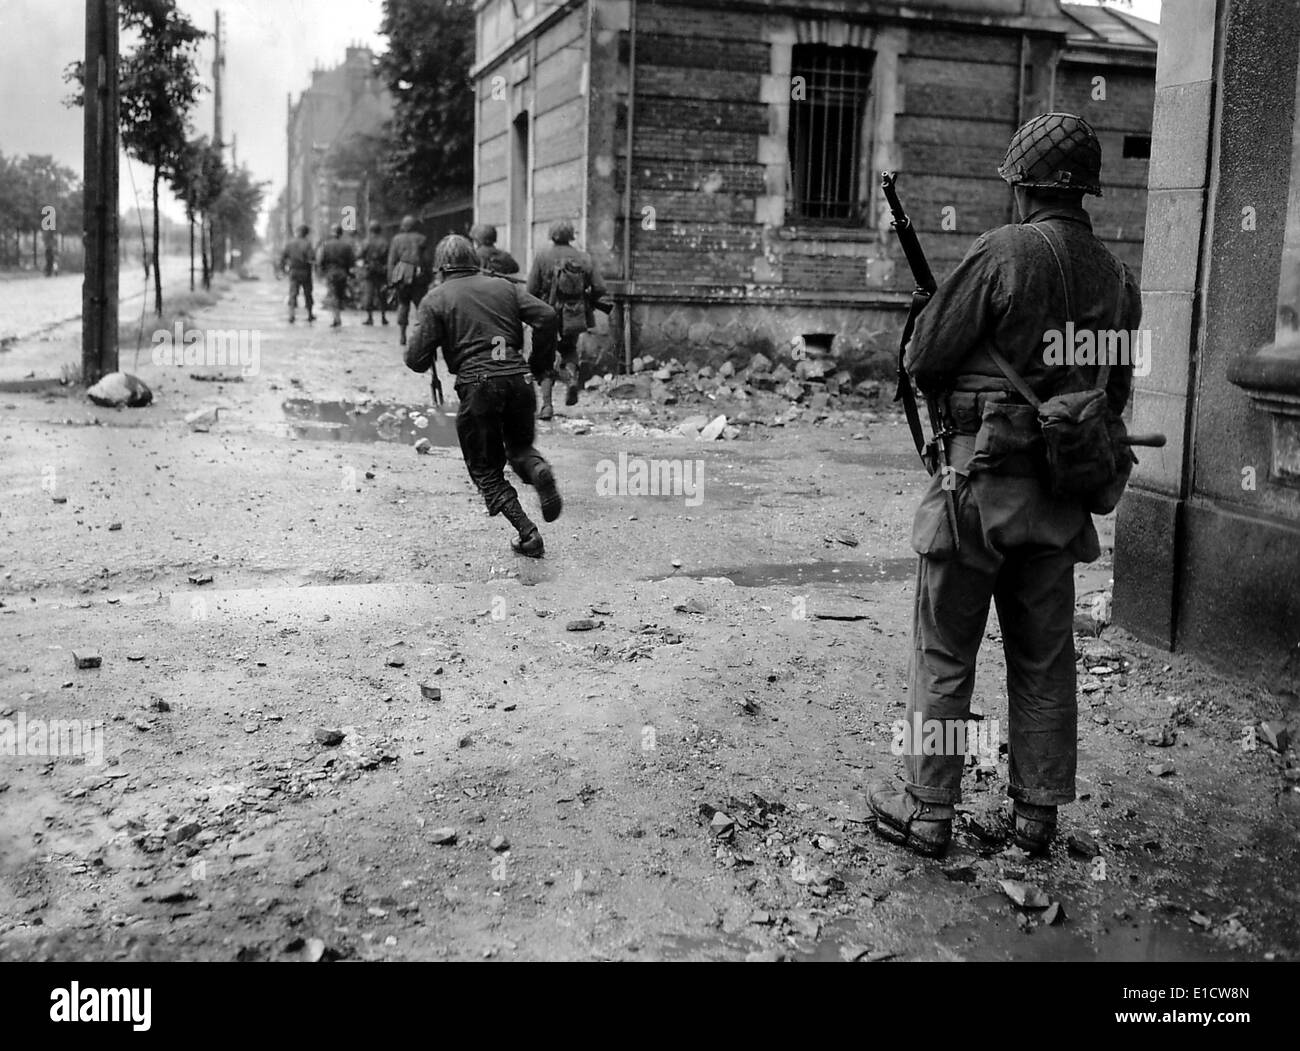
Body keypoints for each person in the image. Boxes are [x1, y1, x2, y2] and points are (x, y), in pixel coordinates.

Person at [868, 113, 1141, 858]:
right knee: (1045, 657)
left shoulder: (1002, 252)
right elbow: (1112, 398)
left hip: (976, 496)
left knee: (947, 651)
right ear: (1085, 191)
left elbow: (924, 358)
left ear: (1020, 187)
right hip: (1058, 502)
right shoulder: (1120, 280)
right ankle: (1035, 818)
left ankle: (930, 812)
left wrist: (931, 316)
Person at [404, 235, 564, 558]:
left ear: (441, 268)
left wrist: (434, 334)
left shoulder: (436, 299)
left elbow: (414, 359)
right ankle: (540, 472)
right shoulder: (503, 287)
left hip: (479, 388)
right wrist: (538, 363)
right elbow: (547, 315)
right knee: (520, 449)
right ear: (473, 260)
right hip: (518, 380)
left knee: (486, 471)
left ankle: (528, 534)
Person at [526, 219, 611, 420]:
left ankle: (547, 406)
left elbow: (530, 290)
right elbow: (600, 288)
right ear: (571, 235)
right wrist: (586, 298)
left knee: (544, 359)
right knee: (569, 350)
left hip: (546, 314)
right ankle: (572, 379)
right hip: (574, 314)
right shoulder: (583, 257)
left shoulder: (542, 256)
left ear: (552, 235)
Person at [387, 214, 430, 346]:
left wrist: (391, 280)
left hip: (402, 277)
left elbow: (392, 260)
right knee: (421, 306)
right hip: (419, 277)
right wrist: (429, 277)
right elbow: (427, 260)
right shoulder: (422, 239)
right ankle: (421, 334)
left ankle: (402, 335)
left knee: (403, 304)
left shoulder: (397, 239)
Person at [316, 224, 356, 328]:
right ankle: (337, 315)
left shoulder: (325, 245)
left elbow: (321, 260)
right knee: (339, 295)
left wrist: (322, 272)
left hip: (331, 273)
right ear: (341, 233)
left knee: (334, 296)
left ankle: (336, 318)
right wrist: (349, 272)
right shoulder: (346, 246)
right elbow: (352, 261)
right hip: (342, 274)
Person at [280, 224, 315, 323]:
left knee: (292, 294)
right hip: (305, 272)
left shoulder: (289, 243)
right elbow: (311, 258)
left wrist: (282, 269)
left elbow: (283, 257)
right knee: (307, 293)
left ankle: (291, 315)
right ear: (306, 233)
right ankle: (310, 314)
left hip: (293, 271)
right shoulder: (307, 244)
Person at [359, 220, 390, 326]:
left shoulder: (366, 242)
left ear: (371, 230)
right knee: (382, 295)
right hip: (381, 272)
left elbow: (360, 255)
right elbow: (388, 257)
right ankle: (383, 317)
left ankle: (369, 318)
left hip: (369, 271)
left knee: (369, 295)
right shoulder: (384, 242)